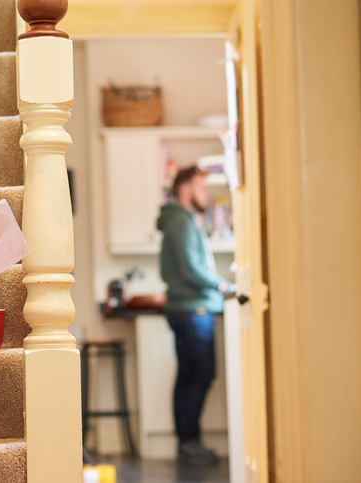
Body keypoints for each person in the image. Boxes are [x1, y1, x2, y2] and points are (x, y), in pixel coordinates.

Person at [156, 166, 235, 466]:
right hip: (194, 309)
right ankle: (189, 442)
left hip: (188, 309)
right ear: (186, 189)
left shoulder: (182, 220)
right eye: (202, 188)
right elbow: (191, 269)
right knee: (200, 375)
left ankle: (188, 442)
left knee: (190, 376)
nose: (207, 194)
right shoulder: (181, 222)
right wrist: (222, 285)